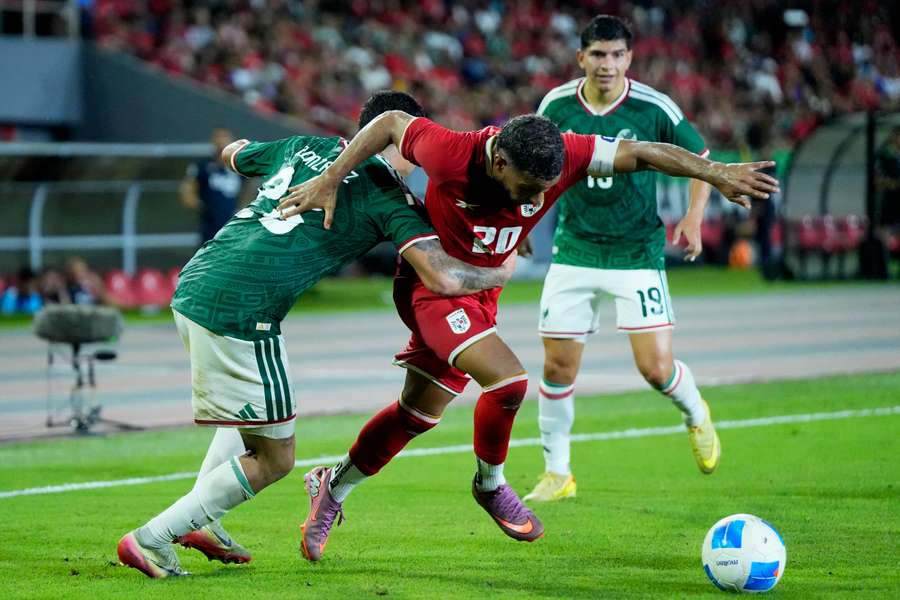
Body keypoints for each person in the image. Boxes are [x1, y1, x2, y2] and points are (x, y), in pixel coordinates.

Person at [277, 108, 779, 558]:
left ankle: (331, 486)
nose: (534, 201)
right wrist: (330, 178)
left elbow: (643, 151)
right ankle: (490, 483)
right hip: (434, 290)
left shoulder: (570, 150)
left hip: (481, 299)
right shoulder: (449, 151)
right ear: (498, 163)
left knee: (416, 414)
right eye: (526, 189)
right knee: (510, 382)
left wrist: (715, 172)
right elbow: (388, 121)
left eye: (545, 189)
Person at [116, 91, 517, 579]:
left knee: (251, 414)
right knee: (276, 458)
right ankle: (152, 539)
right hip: (241, 310)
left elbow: (234, 154)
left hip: (200, 279)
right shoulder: (388, 196)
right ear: (407, 143)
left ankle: (207, 519)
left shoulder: (305, 145)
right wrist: (498, 274)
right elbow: (443, 279)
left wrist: (244, 153)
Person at [523, 15, 720, 503]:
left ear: (629, 59)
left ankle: (696, 412)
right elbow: (534, 165)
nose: (607, 64)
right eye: (597, 55)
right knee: (557, 368)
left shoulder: (654, 107)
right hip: (575, 250)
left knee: (655, 370)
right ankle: (558, 472)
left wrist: (694, 217)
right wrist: (525, 220)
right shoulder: (557, 105)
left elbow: (703, 160)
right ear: (581, 58)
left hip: (636, 253)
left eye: (616, 55)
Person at [180, 128, 244, 245]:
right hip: (210, 226)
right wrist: (202, 207)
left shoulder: (240, 167)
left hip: (235, 224)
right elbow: (188, 190)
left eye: (224, 137)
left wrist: (242, 209)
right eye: (218, 137)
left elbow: (250, 188)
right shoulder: (202, 166)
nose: (221, 141)